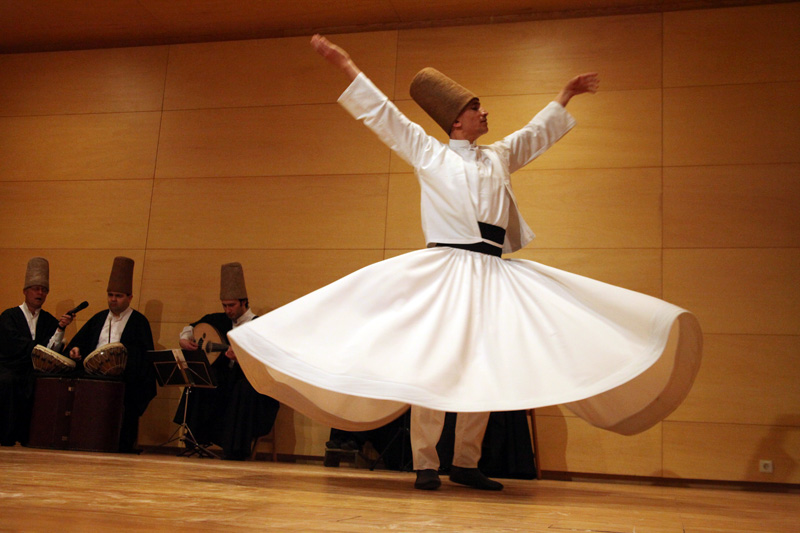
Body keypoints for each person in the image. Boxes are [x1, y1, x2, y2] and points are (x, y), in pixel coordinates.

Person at [228, 35, 702, 491]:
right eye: (477, 108)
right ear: (457, 120)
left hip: (492, 271)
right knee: (435, 365)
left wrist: (565, 94)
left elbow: (535, 135)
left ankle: (466, 462)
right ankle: (425, 462)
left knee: (484, 363)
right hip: (447, 269)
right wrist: (345, 64)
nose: (485, 112)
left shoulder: (497, 157)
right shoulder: (430, 155)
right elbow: (385, 117)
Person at [175, 262, 280, 460]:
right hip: (224, 382)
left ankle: (236, 449)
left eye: (231, 305)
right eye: (224, 305)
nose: (227, 310)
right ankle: (195, 440)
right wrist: (184, 339)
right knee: (203, 379)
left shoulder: (259, 325)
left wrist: (241, 361)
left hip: (251, 385)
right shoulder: (219, 320)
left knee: (241, 388)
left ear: (244, 302)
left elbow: (267, 362)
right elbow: (190, 328)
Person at [65, 257, 156, 453]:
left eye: (118, 296)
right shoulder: (99, 318)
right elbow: (78, 343)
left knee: (133, 391)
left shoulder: (139, 322)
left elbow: (144, 359)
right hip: (93, 376)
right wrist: (76, 350)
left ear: (130, 297)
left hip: (124, 379)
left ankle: (121, 443)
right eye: (110, 295)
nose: (113, 299)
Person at [0, 257, 74, 446]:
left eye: (44, 289)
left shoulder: (49, 321)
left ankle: (35, 437)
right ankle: (6, 436)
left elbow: (52, 351)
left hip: (36, 370)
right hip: (10, 367)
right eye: (35, 288)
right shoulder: (9, 316)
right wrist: (38, 348)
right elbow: (12, 344)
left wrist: (60, 329)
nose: (40, 293)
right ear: (25, 291)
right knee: (8, 381)